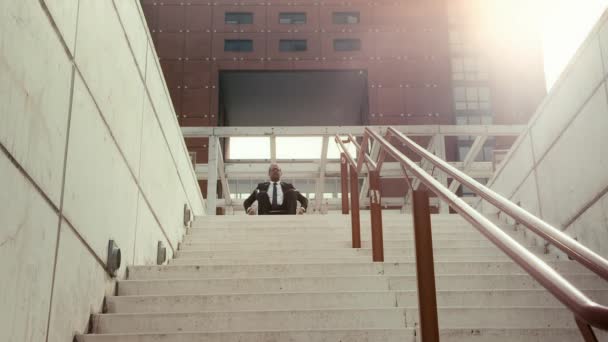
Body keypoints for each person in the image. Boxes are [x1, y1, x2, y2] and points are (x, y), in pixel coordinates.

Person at [244, 163, 308, 215]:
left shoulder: (289, 186)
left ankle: (291, 221)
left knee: (291, 192)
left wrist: (302, 209)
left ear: (281, 173)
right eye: (273, 169)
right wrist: (250, 209)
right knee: (262, 193)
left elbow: (304, 199)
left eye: (277, 170)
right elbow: (247, 201)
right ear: (269, 173)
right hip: (266, 212)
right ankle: (264, 223)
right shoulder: (261, 186)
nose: (275, 171)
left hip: (286, 213)